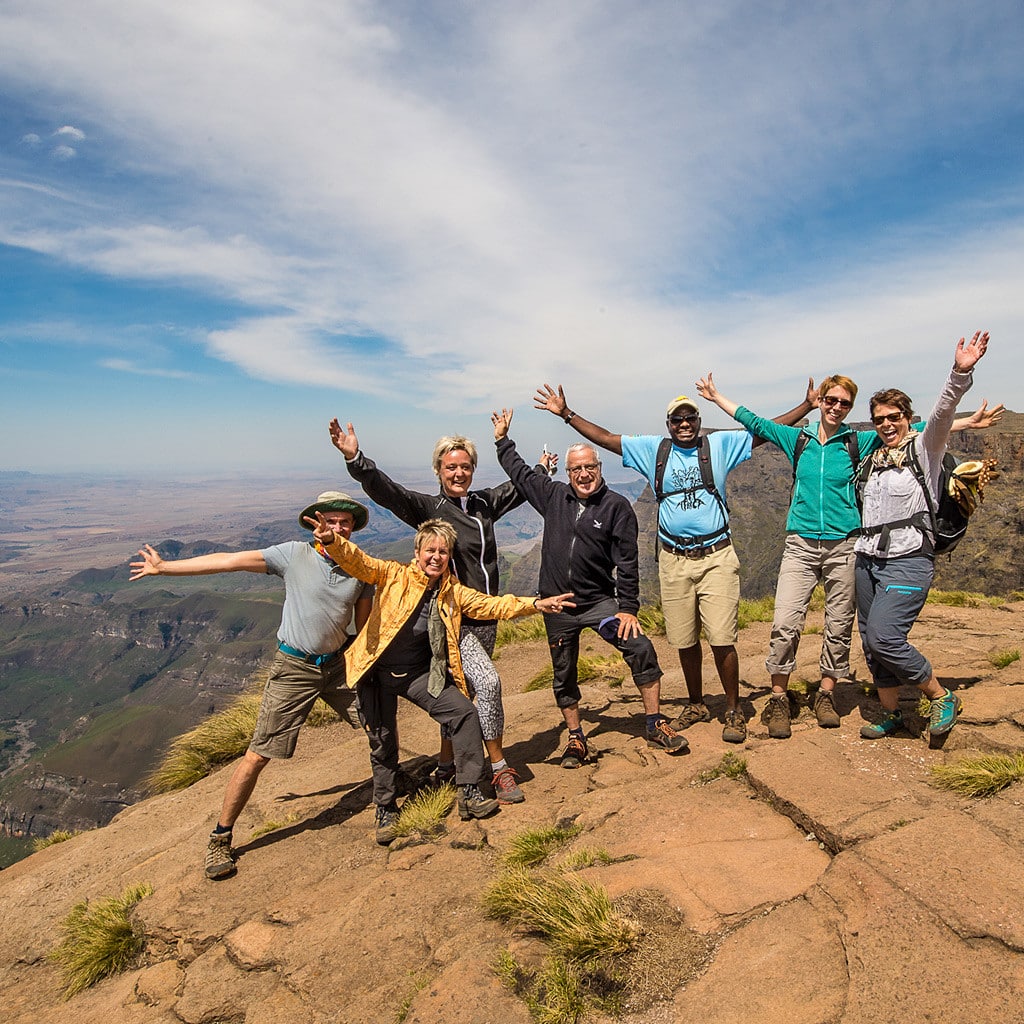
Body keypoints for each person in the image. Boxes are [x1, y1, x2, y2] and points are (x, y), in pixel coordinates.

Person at [695, 374, 1002, 738]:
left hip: (846, 545)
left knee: (839, 624)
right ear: (819, 401)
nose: (836, 407)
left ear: (850, 408)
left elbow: (913, 429)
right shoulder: (798, 438)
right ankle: (779, 696)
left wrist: (966, 422)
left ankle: (827, 693)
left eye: (844, 403)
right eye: (830, 400)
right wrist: (716, 398)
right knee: (785, 623)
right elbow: (755, 421)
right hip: (801, 545)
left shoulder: (861, 440)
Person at [533, 383, 814, 743]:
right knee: (684, 639)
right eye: (677, 419)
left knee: (721, 637)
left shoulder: (719, 445)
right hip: (673, 558)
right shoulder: (654, 450)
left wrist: (805, 405)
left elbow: (766, 429)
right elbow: (603, 438)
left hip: (715, 556)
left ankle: (732, 708)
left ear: (698, 420)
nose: (684, 423)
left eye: (690, 417)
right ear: (668, 424)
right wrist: (567, 414)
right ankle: (696, 703)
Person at [129, 491, 374, 880]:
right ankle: (220, 838)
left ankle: (392, 793)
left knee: (378, 725)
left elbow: (362, 628)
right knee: (259, 754)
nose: (338, 528)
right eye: (330, 521)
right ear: (316, 524)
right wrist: (166, 569)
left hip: (339, 665)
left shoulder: (360, 569)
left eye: (345, 523)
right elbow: (230, 562)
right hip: (295, 667)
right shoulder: (293, 555)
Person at [307, 514, 573, 843]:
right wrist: (332, 542)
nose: (436, 556)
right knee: (383, 741)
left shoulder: (451, 593)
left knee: (463, 713)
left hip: (418, 675)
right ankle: (386, 807)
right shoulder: (393, 574)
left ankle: (469, 790)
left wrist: (536, 604)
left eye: (443, 552)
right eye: (430, 550)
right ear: (417, 552)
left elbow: (492, 606)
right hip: (375, 673)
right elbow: (360, 563)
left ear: (449, 557)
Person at [330, 419, 554, 804]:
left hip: (487, 618)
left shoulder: (484, 503)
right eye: (450, 467)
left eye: (465, 466)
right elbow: (388, 492)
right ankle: (498, 768)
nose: (459, 473)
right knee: (486, 685)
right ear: (438, 470)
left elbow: (520, 490)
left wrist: (541, 470)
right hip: (454, 621)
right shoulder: (429, 508)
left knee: (458, 692)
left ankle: (448, 765)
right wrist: (356, 459)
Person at [493, 409, 688, 767]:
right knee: (563, 671)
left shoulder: (617, 508)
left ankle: (654, 721)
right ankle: (576, 738)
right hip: (558, 605)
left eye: (590, 467)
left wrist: (628, 608)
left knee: (639, 646)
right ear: (567, 473)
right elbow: (519, 473)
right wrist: (502, 440)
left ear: (600, 468)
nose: (583, 474)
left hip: (600, 604)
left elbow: (627, 563)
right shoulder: (553, 497)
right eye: (576, 469)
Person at [855, 331, 990, 741]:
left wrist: (959, 372)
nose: (886, 424)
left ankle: (941, 695)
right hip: (867, 559)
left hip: (909, 558)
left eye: (893, 417)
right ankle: (894, 714)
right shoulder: (872, 458)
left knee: (885, 636)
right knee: (870, 643)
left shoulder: (924, 448)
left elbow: (945, 411)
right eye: (879, 419)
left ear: (907, 417)